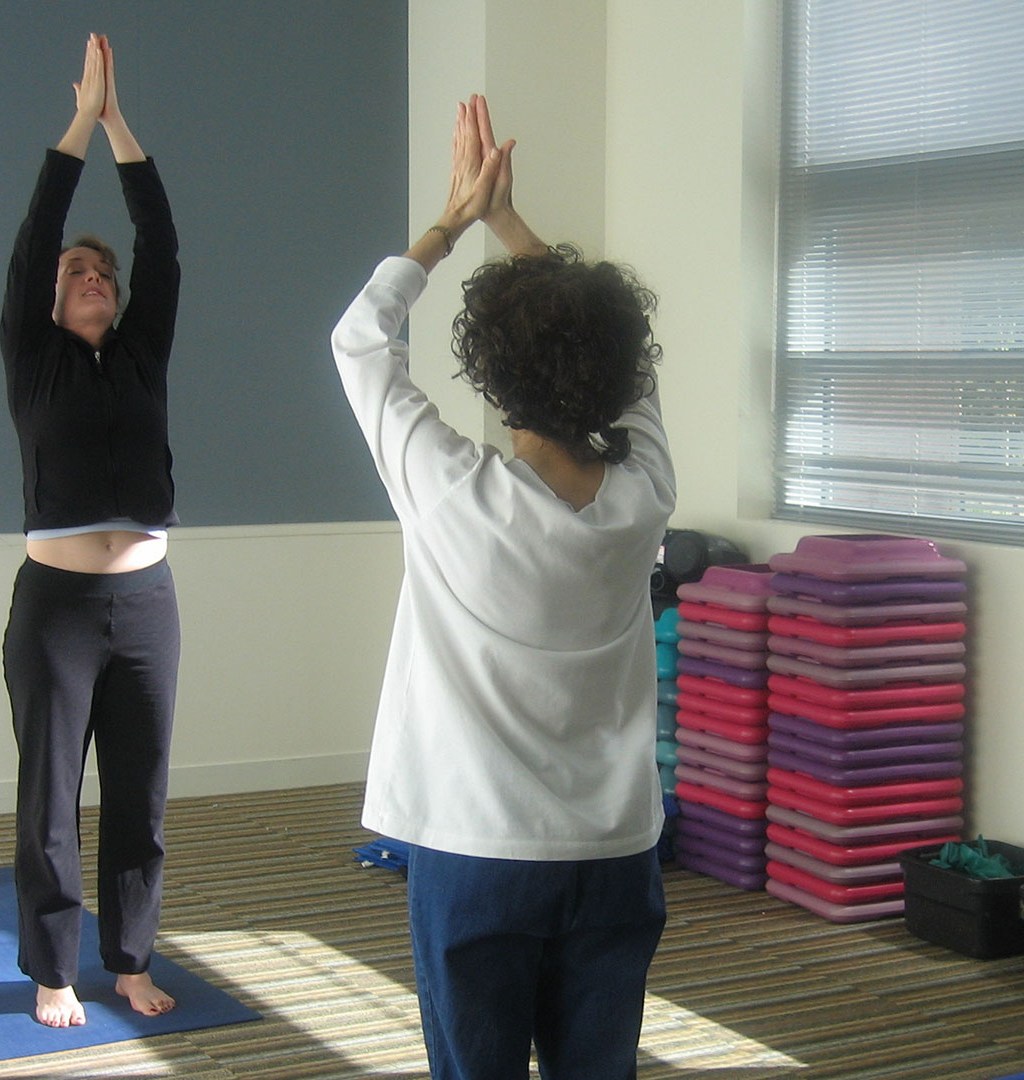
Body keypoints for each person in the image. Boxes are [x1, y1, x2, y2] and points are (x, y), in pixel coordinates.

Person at [330, 95, 676, 1079]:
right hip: (614, 855)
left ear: (489, 377)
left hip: (478, 855)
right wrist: (513, 229)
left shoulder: (449, 492)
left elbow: (361, 338)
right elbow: (624, 367)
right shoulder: (647, 494)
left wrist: (455, 221)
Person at [0, 33, 182, 1028]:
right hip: (59, 609)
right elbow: (37, 235)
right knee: (51, 802)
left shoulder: (144, 354)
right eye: (77, 272)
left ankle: (130, 958)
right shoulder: (34, 359)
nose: (92, 276)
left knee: (140, 798)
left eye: (100, 271)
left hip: (148, 603)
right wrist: (79, 121)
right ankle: (54, 968)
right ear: (53, 299)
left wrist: (122, 127)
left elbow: (161, 240)